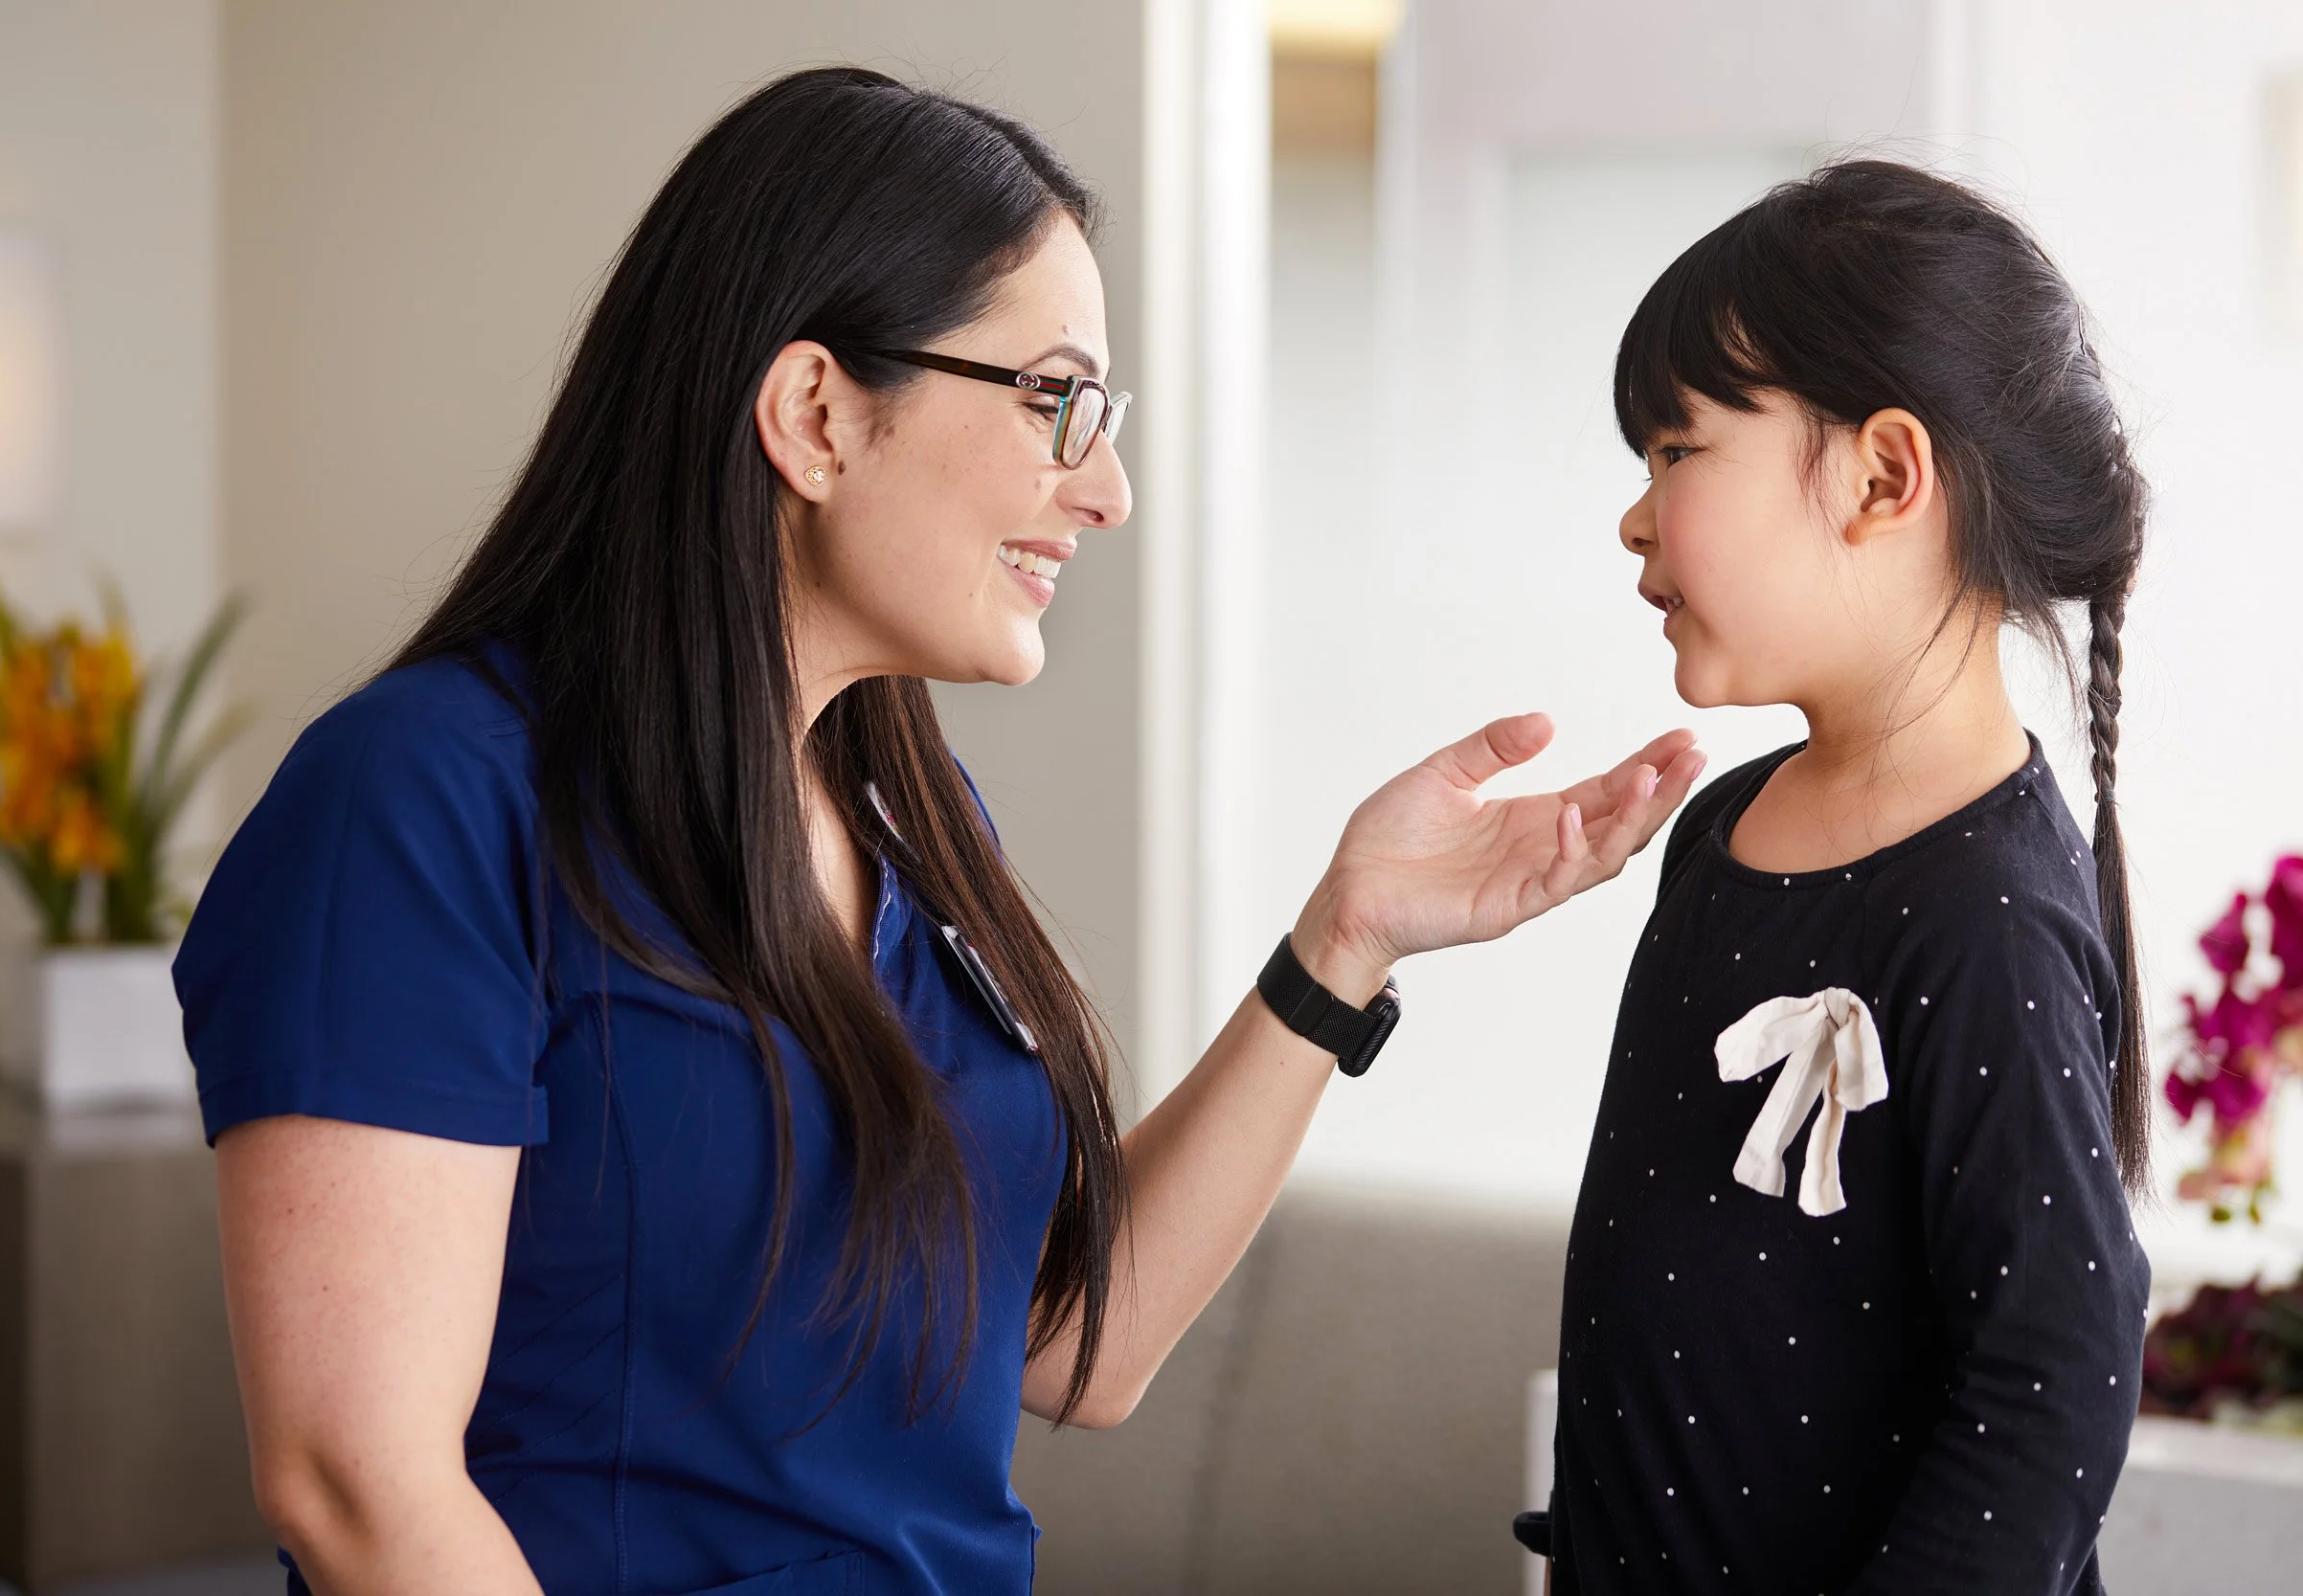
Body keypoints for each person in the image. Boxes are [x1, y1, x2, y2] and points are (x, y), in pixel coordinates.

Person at [176, 68, 1705, 1596]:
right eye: (1058, 400)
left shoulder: (904, 814)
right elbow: (357, 1485)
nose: (1105, 487)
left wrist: (1345, 941)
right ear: (817, 414)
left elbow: (1071, 1346)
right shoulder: (423, 800)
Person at [1533, 161, 2152, 1593]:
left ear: (1883, 476)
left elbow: (2055, 1371)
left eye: (1678, 450)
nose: (1637, 517)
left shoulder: (1983, 909)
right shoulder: (1725, 826)